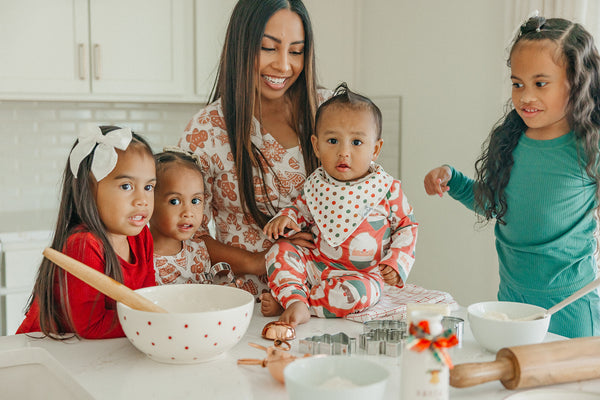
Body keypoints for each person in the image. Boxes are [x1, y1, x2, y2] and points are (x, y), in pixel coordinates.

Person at [424, 16, 600, 338]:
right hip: (512, 301)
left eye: (540, 83)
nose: (525, 96)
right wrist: (455, 181)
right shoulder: (510, 140)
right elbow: (495, 203)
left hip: (573, 305)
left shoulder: (591, 146)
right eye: (517, 83)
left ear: (577, 82)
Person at [178, 0, 329, 297]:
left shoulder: (326, 111)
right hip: (251, 301)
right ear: (241, 45)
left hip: (329, 298)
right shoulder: (207, 130)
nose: (284, 65)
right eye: (268, 48)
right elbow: (184, 235)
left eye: (296, 51)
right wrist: (260, 262)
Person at [260, 83, 418, 326]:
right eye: (333, 140)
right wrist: (287, 219)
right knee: (278, 251)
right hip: (316, 266)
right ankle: (294, 299)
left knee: (361, 294)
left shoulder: (387, 189)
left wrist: (396, 262)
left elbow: (407, 227)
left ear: (375, 149)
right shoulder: (317, 183)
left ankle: (298, 303)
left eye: (356, 143)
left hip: (361, 276)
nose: (344, 152)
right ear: (316, 145)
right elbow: (301, 208)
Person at [17, 125, 157, 339]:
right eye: (126, 186)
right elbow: (92, 325)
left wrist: (154, 318)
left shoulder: (141, 237)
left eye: (149, 187)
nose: (142, 200)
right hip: (45, 352)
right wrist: (154, 324)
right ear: (89, 190)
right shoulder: (84, 245)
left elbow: (146, 301)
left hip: (91, 352)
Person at [150, 148, 238, 286]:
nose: (188, 212)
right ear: (149, 201)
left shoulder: (199, 250)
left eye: (195, 201)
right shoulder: (138, 256)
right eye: (175, 201)